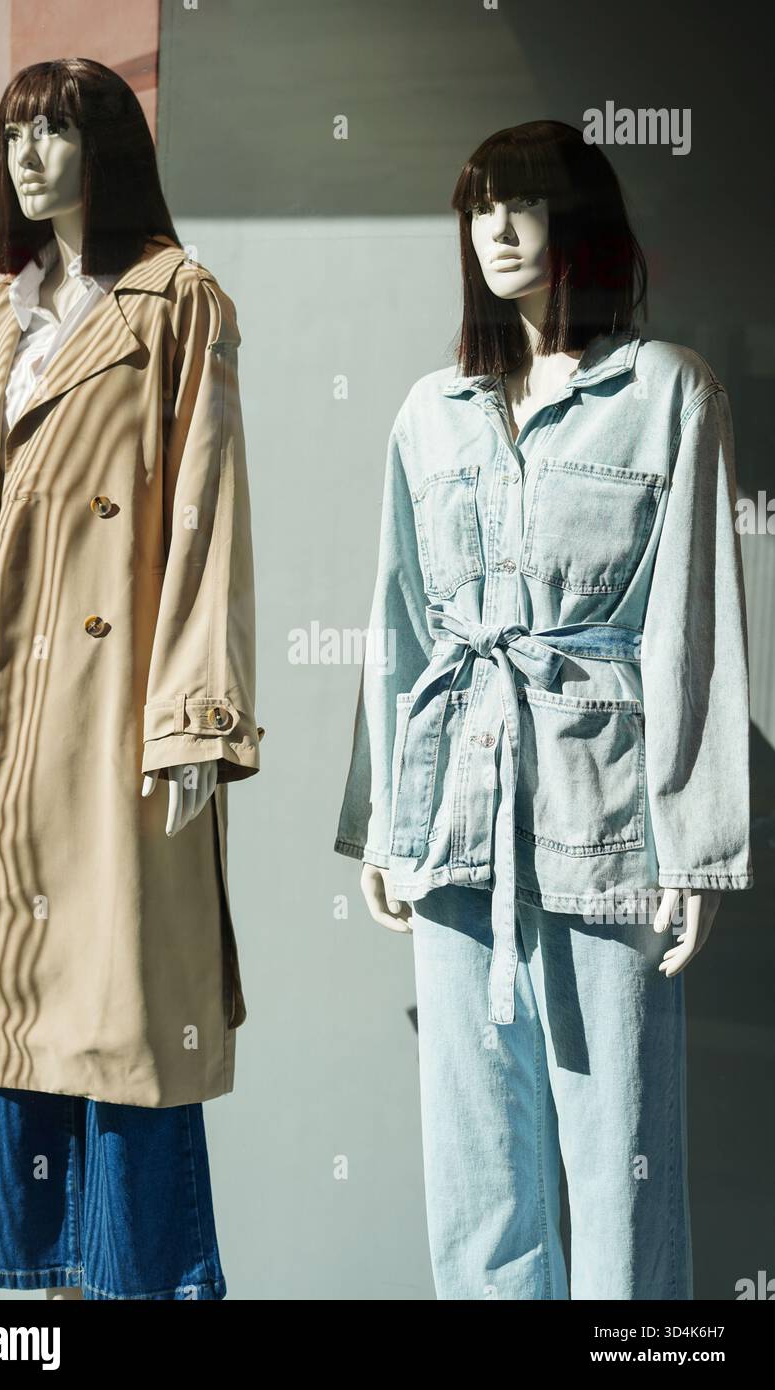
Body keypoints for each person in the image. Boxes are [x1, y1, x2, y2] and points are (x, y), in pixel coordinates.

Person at [334, 119, 753, 1300]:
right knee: (475, 1179)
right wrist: (384, 819)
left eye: (521, 205)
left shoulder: (665, 391)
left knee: (618, 1168)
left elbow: (694, 631)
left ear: (581, 224)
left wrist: (697, 845)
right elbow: (402, 622)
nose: (497, 231)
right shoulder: (431, 410)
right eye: (477, 208)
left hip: (605, 818)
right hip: (456, 816)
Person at [0, 58, 261, 1300]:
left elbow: (207, 517)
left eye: (56, 132)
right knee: (8, 1022)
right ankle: (33, 1305)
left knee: (119, 1036)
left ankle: (134, 1287)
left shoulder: (177, 302)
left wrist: (194, 725)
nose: (28, 156)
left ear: (109, 148)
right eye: (14, 134)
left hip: (106, 728)